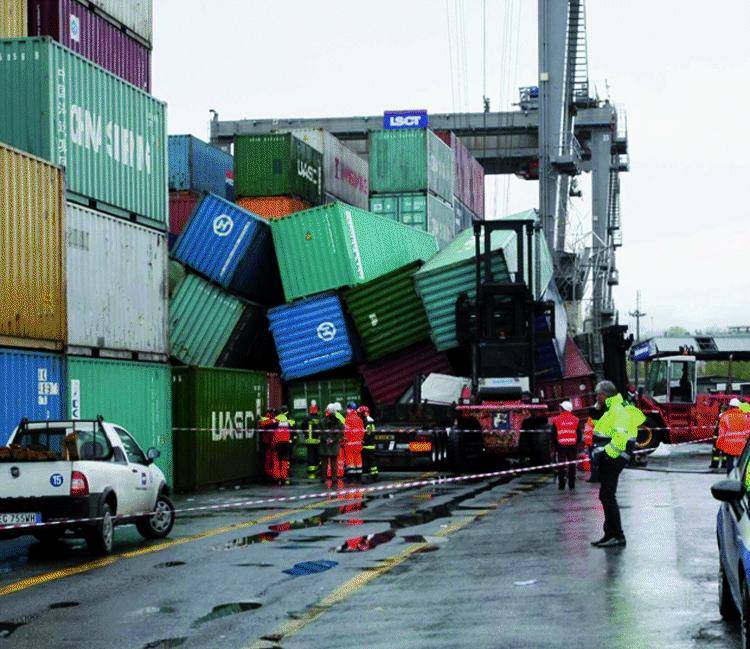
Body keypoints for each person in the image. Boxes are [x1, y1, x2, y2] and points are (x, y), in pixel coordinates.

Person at [590, 380, 645, 548]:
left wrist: (607, 454)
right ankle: (610, 534)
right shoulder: (612, 409)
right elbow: (600, 428)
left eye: (597, 395)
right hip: (610, 458)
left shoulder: (617, 410)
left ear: (604, 394)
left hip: (613, 459)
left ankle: (617, 535)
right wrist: (596, 411)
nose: (596, 397)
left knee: (607, 496)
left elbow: (620, 438)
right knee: (605, 495)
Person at [550, 401, 580, 491]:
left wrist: (555, 446)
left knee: (561, 465)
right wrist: (575, 443)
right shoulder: (576, 419)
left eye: (561, 408)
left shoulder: (556, 419)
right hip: (572, 446)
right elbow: (579, 435)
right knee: (572, 465)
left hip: (561, 446)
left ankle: (561, 485)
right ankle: (572, 485)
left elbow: (553, 435)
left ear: (563, 409)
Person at [716, 398, 750, 474]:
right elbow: (748, 432)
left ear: (730, 406)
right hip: (741, 445)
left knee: (729, 463)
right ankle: (741, 478)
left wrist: (720, 445)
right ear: (738, 407)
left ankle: (730, 477)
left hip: (729, 445)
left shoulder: (725, 417)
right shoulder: (745, 417)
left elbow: (721, 433)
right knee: (741, 463)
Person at [271, 405, 295, 485]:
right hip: (286, 443)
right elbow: (293, 430)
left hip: (278, 443)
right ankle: (284, 478)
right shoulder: (289, 421)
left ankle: (277, 478)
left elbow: (268, 425)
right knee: (284, 460)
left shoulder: (277, 420)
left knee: (277, 461)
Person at [320, 403, 344, 483]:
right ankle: (334, 478)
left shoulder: (322, 421)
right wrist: (333, 440)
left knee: (324, 463)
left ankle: (324, 478)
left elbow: (320, 432)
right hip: (334, 444)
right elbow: (340, 433)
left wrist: (326, 439)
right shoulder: (338, 421)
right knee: (334, 462)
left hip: (324, 444)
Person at [343, 402, 365, 482]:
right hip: (358, 444)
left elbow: (346, 432)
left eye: (347, 408)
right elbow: (363, 431)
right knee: (358, 460)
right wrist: (359, 440)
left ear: (350, 409)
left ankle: (351, 478)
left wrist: (345, 440)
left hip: (350, 444)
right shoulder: (359, 419)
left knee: (350, 460)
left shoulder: (348, 419)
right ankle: (359, 476)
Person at [359, 405, 379, 481]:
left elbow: (368, 433)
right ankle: (374, 474)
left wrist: (362, 440)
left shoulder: (367, 422)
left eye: (361, 413)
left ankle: (374, 476)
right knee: (371, 461)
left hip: (367, 445)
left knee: (370, 461)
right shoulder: (370, 420)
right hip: (370, 444)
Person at [303, 401, 321, 479]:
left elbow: (303, 427)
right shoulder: (319, 418)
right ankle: (317, 469)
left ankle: (311, 470)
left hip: (309, 441)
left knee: (310, 455)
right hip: (317, 440)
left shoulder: (306, 418)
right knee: (317, 455)